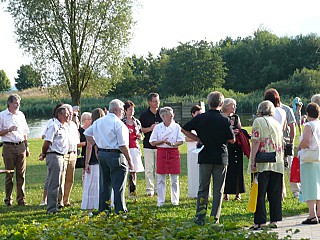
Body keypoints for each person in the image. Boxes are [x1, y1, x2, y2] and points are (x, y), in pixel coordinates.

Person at [182, 91, 235, 226]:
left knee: (202, 188)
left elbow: (184, 129)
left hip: (205, 155)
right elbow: (231, 139)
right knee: (218, 190)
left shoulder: (201, 118)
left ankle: (200, 217)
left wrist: (198, 138)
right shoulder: (224, 119)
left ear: (208, 102)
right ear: (221, 104)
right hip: (220, 157)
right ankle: (214, 218)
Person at [84, 99, 134, 214]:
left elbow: (87, 133)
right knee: (118, 185)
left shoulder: (99, 122)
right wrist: (130, 161)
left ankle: (104, 210)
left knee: (104, 184)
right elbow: (123, 145)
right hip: (116, 155)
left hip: (102, 154)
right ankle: (120, 210)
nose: (123, 112)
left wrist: (95, 144)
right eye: (122, 110)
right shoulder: (119, 124)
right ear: (116, 110)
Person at [248, 100, 284, 229]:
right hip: (277, 160)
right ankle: (274, 219)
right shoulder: (277, 123)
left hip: (262, 162)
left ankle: (260, 221)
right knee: (274, 192)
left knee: (259, 192)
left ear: (260, 110)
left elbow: (256, 141)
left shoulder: (258, 121)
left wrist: (253, 160)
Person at [149, 107, 185, 206]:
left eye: (172, 114)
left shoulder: (177, 126)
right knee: (160, 178)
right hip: (161, 152)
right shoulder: (157, 127)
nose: (172, 116)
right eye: (169, 114)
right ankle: (160, 201)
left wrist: (173, 144)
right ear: (163, 116)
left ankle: (175, 200)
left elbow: (181, 140)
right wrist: (163, 141)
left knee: (174, 178)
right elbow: (152, 142)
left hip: (173, 152)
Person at [0, 94, 30, 207]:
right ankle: (8, 199)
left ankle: (21, 199)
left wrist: (26, 147)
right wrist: (8, 130)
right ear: (9, 103)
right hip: (8, 147)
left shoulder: (21, 115)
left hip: (21, 146)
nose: (17, 105)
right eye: (15, 103)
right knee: (9, 174)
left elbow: (24, 132)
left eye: (19, 103)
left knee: (21, 174)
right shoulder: (2, 115)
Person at [39, 106, 69, 214]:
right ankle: (51, 209)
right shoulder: (53, 126)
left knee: (59, 182)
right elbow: (47, 142)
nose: (68, 115)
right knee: (54, 183)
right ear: (59, 115)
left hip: (61, 156)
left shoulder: (64, 126)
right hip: (54, 155)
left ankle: (56, 205)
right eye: (66, 114)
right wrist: (43, 153)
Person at [297, 102, 320, 224]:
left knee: (310, 187)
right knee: (319, 186)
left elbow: (306, 141)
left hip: (309, 160)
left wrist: (298, 147)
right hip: (319, 159)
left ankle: (312, 214)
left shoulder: (309, 125)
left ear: (307, 113)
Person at [81, 108, 105, 216]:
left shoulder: (92, 128)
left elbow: (89, 147)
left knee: (91, 185)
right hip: (103, 157)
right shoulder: (105, 128)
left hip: (93, 161)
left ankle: (90, 208)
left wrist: (86, 163)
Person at [221, 98, 245, 201]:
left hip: (236, 146)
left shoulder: (236, 117)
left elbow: (240, 129)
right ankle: (226, 193)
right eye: (232, 105)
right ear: (226, 106)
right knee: (226, 170)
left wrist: (237, 132)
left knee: (237, 170)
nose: (234, 107)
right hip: (226, 146)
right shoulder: (221, 117)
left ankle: (237, 192)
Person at [139, 93, 162, 197]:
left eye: (158, 101)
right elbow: (140, 130)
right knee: (149, 168)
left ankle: (158, 188)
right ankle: (150, 189)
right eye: (155, 101)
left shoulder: (162, 114)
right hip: (148, 145)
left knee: (159, 168)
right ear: (149, 102)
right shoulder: (144, 115)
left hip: (160, 145)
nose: (157, 103)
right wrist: (151, 128)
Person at [58, 104, 80, 208]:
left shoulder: (73, 125)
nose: (70, 115)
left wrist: (75, 151)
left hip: (72, 154)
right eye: (69, 113)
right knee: (61, 178)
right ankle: (60, 200)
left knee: (70, 179)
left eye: (72, 113)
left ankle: (66, 199)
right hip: (63, 154)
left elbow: (76, 140)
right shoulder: (60, 125)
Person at [123, 101, 144, 200]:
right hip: (125, 148)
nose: (132, 111)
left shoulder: (137, 122)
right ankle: (123, 191)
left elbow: (141, 134)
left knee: (133, 171)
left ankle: (132, 191)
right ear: (125, 110)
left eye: (133, 109)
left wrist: (139, 136)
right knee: (124, 170)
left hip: (134, 147)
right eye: (130, 109)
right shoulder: (122, 122)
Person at [280, 98, 299, 198]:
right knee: (279, 168)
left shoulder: (287, 109)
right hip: (277, 143)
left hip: (286, 141)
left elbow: (292, 126)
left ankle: (296, 191)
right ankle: (282, 192)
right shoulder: (269, 109)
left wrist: (291, 141)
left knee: (290, 167)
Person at [185, 105, 202, 198]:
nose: (200, 115)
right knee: (193, 172)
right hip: (192, 150)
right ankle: (193, 192)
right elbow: (186, 138)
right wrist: (197, 138)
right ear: (193, 114)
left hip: (202, 150)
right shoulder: (190, 124)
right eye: (198, 114)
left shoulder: (204, 123)